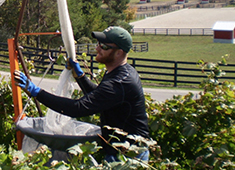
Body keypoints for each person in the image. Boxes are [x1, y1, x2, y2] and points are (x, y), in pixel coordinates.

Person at [14, 26, 150, 162]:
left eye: (103, 46)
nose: (97, 48)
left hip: (130, 156)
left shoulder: (120, 82)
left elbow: (77, 108)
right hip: (122, 151)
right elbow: (99, 96)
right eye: (98, 44)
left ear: (119, 53)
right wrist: (81, 77)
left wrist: (37, 92)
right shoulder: (120, 72)